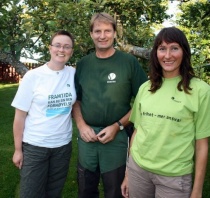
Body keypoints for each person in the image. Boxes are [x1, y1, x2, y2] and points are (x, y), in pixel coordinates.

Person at [121, 27, 210, 198]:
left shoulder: (201, 91)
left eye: (174, 48)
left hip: (174, 177)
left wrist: (197, 190)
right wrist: (127, 173)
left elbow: (202, 144)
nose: (167, 55)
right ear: (156, 53)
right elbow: (137, 132)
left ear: (184, 52)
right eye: (162, 49)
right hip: (138, 170)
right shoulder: (145, 88)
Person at [72, 12, 148, 198]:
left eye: (107, 30)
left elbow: (144, 102)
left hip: (117, 137)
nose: (102, 35)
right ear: (91, 34)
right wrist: (81, 126)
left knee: (115, 191)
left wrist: (118, 125)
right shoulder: (83, 64)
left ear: (115, 33)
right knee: (85, 190)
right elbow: (76, 100)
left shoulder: (129, 63)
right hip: (87, 138)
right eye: (97, 31)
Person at [11, 30, 76, 198]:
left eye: (67, 46)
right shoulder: (33, 76)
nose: (61, 50)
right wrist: (18, 149)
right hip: (35, 146)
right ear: (50, 48)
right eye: (58, 45)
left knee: (54, 192)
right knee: (30, 193)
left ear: (71, 51)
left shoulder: (73, 74)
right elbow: (19, 117)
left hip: (62, 146)